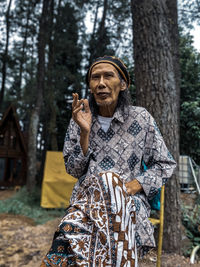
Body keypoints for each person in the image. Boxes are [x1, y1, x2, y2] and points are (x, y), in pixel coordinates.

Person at [41, 56, 176, 266]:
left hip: (128, 203)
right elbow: (73, 169)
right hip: (86, 203)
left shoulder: (141, 118)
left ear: (123, 84)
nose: (101, 83)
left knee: (110, 184)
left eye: (108, 76)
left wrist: (133, 186)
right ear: (90, 85)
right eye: (95, 77)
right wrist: (85, 133)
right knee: (76, 225)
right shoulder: (80, 118)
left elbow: (165, 164)